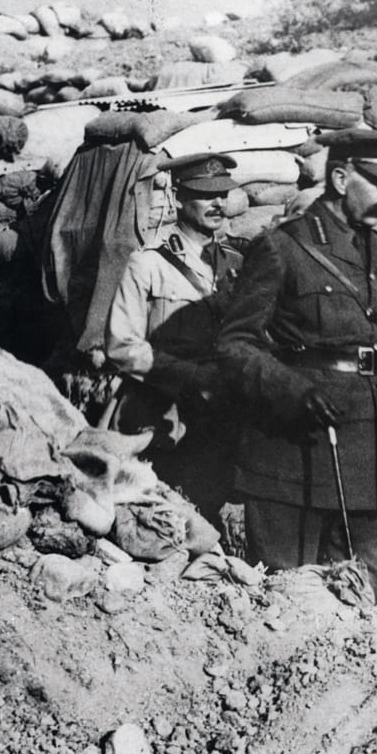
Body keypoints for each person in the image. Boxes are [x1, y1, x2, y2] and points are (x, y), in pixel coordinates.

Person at [216, 129, 377, 610]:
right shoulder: (284, 248)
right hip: (299, 447)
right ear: (342, 178)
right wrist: (292, 390)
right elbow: (234, 343)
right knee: (294, 592)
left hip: (373, 447)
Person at [104, 152, 245, 519]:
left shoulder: (237, 265)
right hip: (162, 410)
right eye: (205, 193)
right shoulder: (147, 262)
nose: (217, 203)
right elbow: (122, 346)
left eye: (222, 193)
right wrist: (191, 375)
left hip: (219, 412)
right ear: (179, 197)